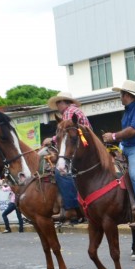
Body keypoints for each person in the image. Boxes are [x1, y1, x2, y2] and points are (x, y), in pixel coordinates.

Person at [101, 81, 135, 229]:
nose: (120, 97)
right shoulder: (127, 111)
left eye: (121, 94)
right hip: (127, 149)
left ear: (127, 95)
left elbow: (133, 130)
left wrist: (113, 136)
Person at [46, 92, 90, 223]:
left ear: (64, 102)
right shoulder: (74, 111)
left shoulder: (69, 112)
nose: (58, 106)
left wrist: (51, 140)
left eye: (59, 103)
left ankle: (72, 208)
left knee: (61, 172)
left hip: (79, 147)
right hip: (82, 145)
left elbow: (66, 134)